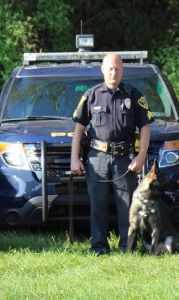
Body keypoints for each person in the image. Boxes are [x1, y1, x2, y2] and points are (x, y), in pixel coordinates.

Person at [70, 53, 154, 255]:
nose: (113, 72)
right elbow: (79, 127)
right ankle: (99, 247)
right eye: (109, 68)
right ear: (102, 70)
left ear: (122, 70)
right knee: (97, 206)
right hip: (97, 157)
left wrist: (141, 156)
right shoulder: (91, 96)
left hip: (124, 158)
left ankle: (128, 247)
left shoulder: (134, 95)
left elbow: (145, 127)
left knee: (126, 206)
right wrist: (74, 158)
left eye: (117, 68)